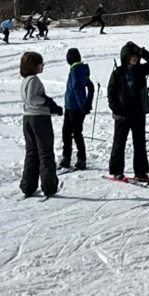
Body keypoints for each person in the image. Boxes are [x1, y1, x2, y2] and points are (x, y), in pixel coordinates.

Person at [107, 41, 149, 180]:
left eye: (136, 56)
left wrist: (141, 51)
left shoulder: (140, 70)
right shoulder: (117, 73)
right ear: (125, 57)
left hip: (137, 113)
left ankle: (140, 171)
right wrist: (116, 108)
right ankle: (116, 170)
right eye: (132, 56)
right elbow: (111, 93)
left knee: (140, 143)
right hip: (122, 115)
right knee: (119, 143)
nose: (135, 58)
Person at [18, 51, 64, 198]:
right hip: (39, 118)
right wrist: (47, 102)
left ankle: (28, 185)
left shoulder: (25, 80)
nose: (42, 66)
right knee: (45, 152)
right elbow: (33, 98)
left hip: (28, 118)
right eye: (40, 63)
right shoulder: (34, 80)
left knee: (32, 152)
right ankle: (49, 185)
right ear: (34, 65)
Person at [60, 48, 94, 171]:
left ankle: (80, 159)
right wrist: (88, 102)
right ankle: (67, 158)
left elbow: (77, 89)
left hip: (75, 108)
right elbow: (90, 86)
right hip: (70, 106)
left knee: (75, 133)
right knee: (67, 132)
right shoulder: (81, 69)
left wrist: (83, 106)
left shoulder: (76, 70)